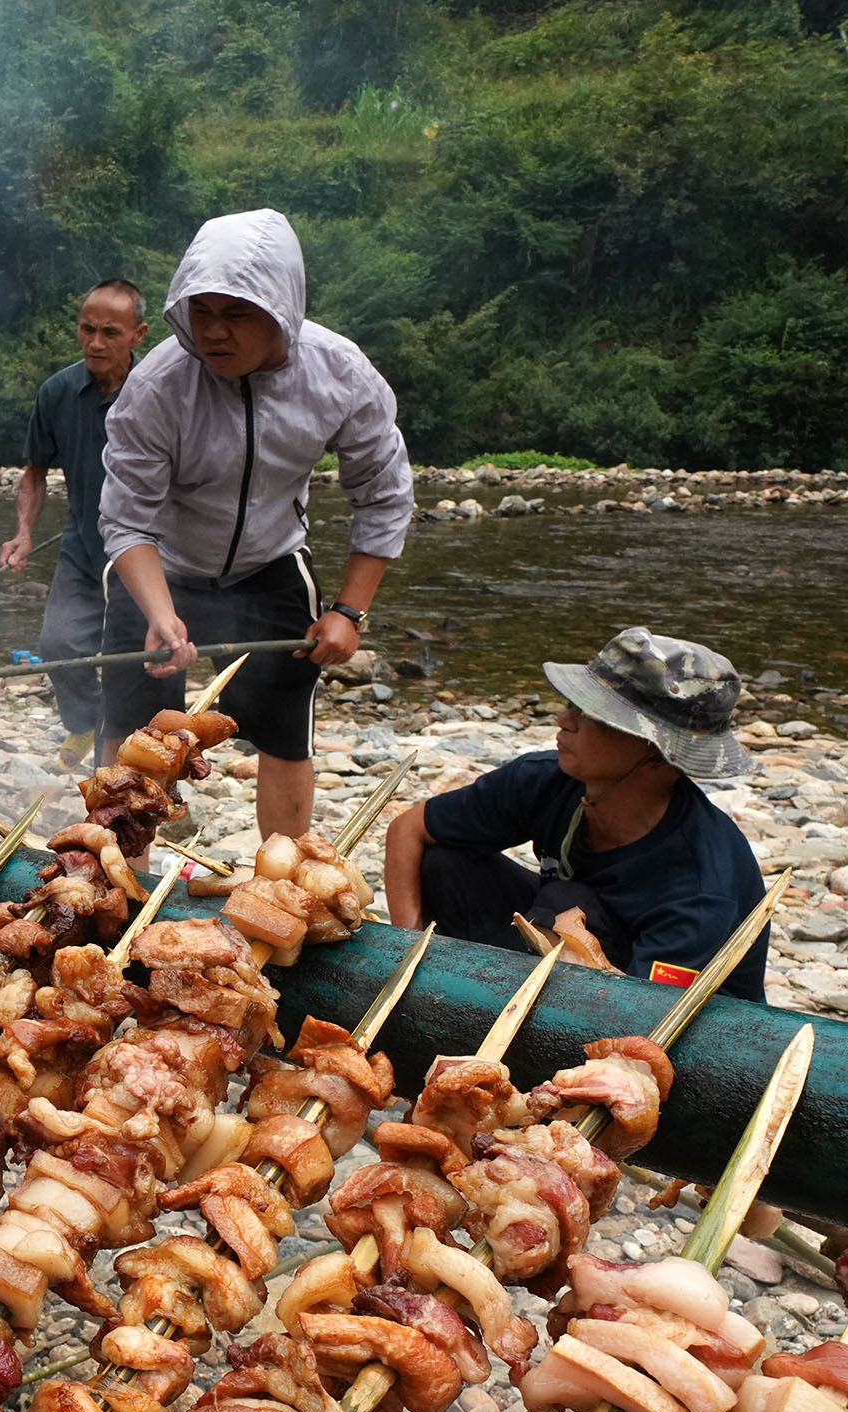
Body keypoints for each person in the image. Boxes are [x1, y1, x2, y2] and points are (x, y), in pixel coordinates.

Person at [98, 210, 413, 844]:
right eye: (200, 312)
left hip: (272, 564)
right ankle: (115, 873)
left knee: (284, 726)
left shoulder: (340, 375)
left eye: (236, 313)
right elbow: (127, 517)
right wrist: (161, 615)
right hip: (161, 568)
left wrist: (349, 613)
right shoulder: (158, 384)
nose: (213, 332)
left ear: (282, 308)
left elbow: (382, 496)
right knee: (131, 731)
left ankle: (284, 874)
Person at [382, 626, 768, 1001]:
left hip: (665, 1011)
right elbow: (408, 829)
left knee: (566, 904)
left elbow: (650, 1019)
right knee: (445, 864)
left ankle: (497, 1008)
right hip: (571, 951)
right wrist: (409, 951)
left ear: (656, 755)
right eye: (572, 706)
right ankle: (452, 993)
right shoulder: (548, 780)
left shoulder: (701, 886)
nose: (565, 721)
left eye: (593, 715)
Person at [1, 280, 146, 773]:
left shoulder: (159, 392)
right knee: (59, 645)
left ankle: (140, 755)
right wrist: (23, 532)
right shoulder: (58, 393)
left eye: (110, 332)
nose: (96, 342)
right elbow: (34, 474)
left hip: (148, 553)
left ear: (138, 335)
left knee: (137, 660)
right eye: (87, 329)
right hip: (83, 548)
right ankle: (86, 723)